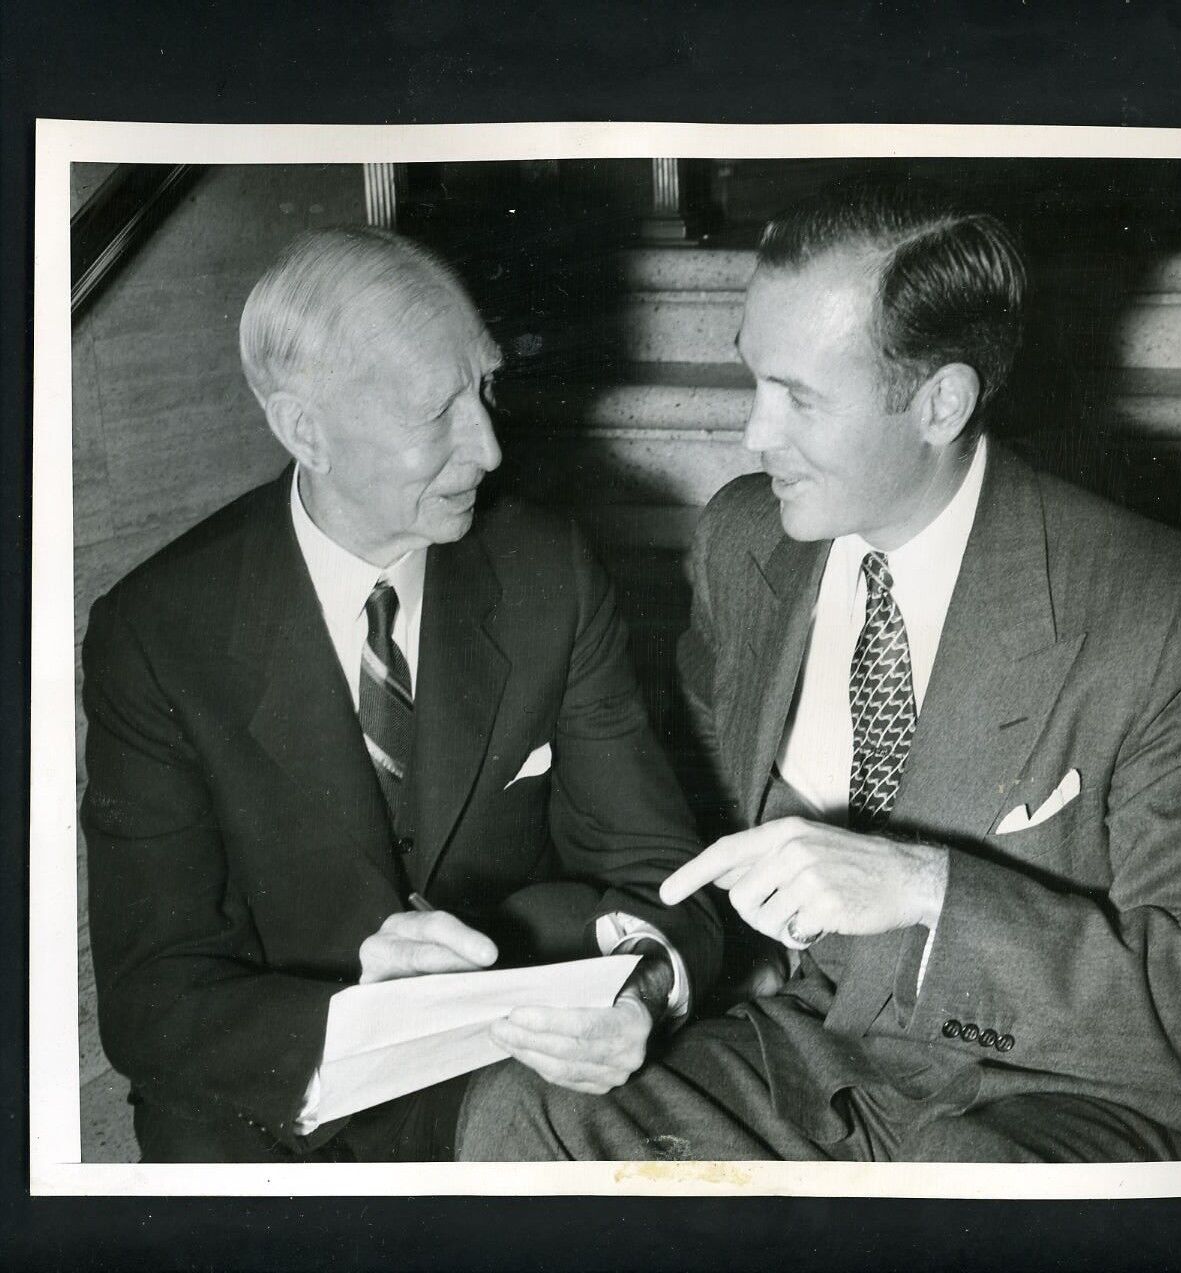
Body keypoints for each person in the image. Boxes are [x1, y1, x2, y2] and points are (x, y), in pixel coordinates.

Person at [457, 179, 1181, 1163]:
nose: (753, 434)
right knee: (529, 1108)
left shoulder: (1165, 607)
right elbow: (691, 857)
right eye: (753, 381)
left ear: (939, 402)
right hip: (811, 1053)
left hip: (1061, 1095)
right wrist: (649, 975)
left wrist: (924, 887)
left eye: (799, 398)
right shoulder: (742, 541)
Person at [80, 227, 721, 1162]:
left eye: (486, 387)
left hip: (504, 1076)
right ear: (305, 429)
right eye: (436, 413)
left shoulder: (549, 571)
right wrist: (354, 1006)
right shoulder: (158, 632)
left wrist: (645, 986)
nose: (491, 447)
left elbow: (662, 870)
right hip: (271, 1104)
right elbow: (152, 1004)